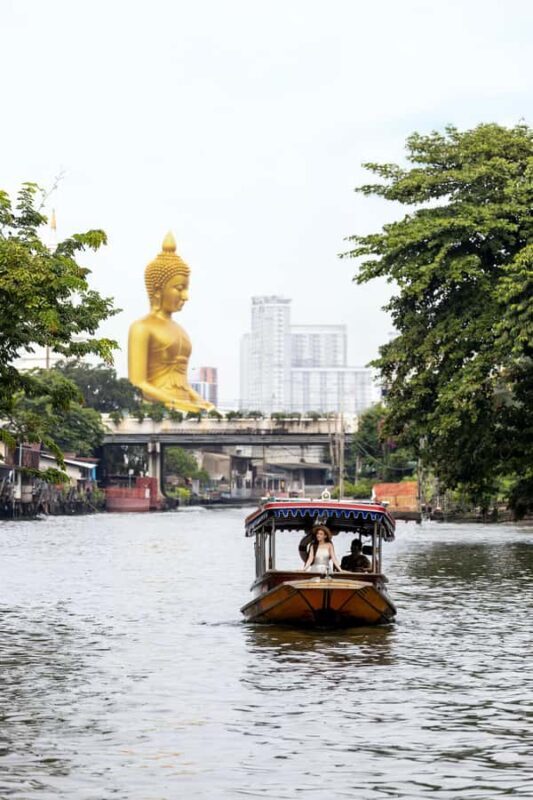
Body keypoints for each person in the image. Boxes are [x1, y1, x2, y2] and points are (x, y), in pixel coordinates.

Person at [128, 233, 214, 412]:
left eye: (186, 289)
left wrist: (200, 402)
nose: (185, 296)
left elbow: (181, 382)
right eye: (179, 289)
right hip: (154, 411)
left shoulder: (180, 330)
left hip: (184, 409)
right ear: (158, 290)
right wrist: (176, 404)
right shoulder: (142, 328)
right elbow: (138, 383)